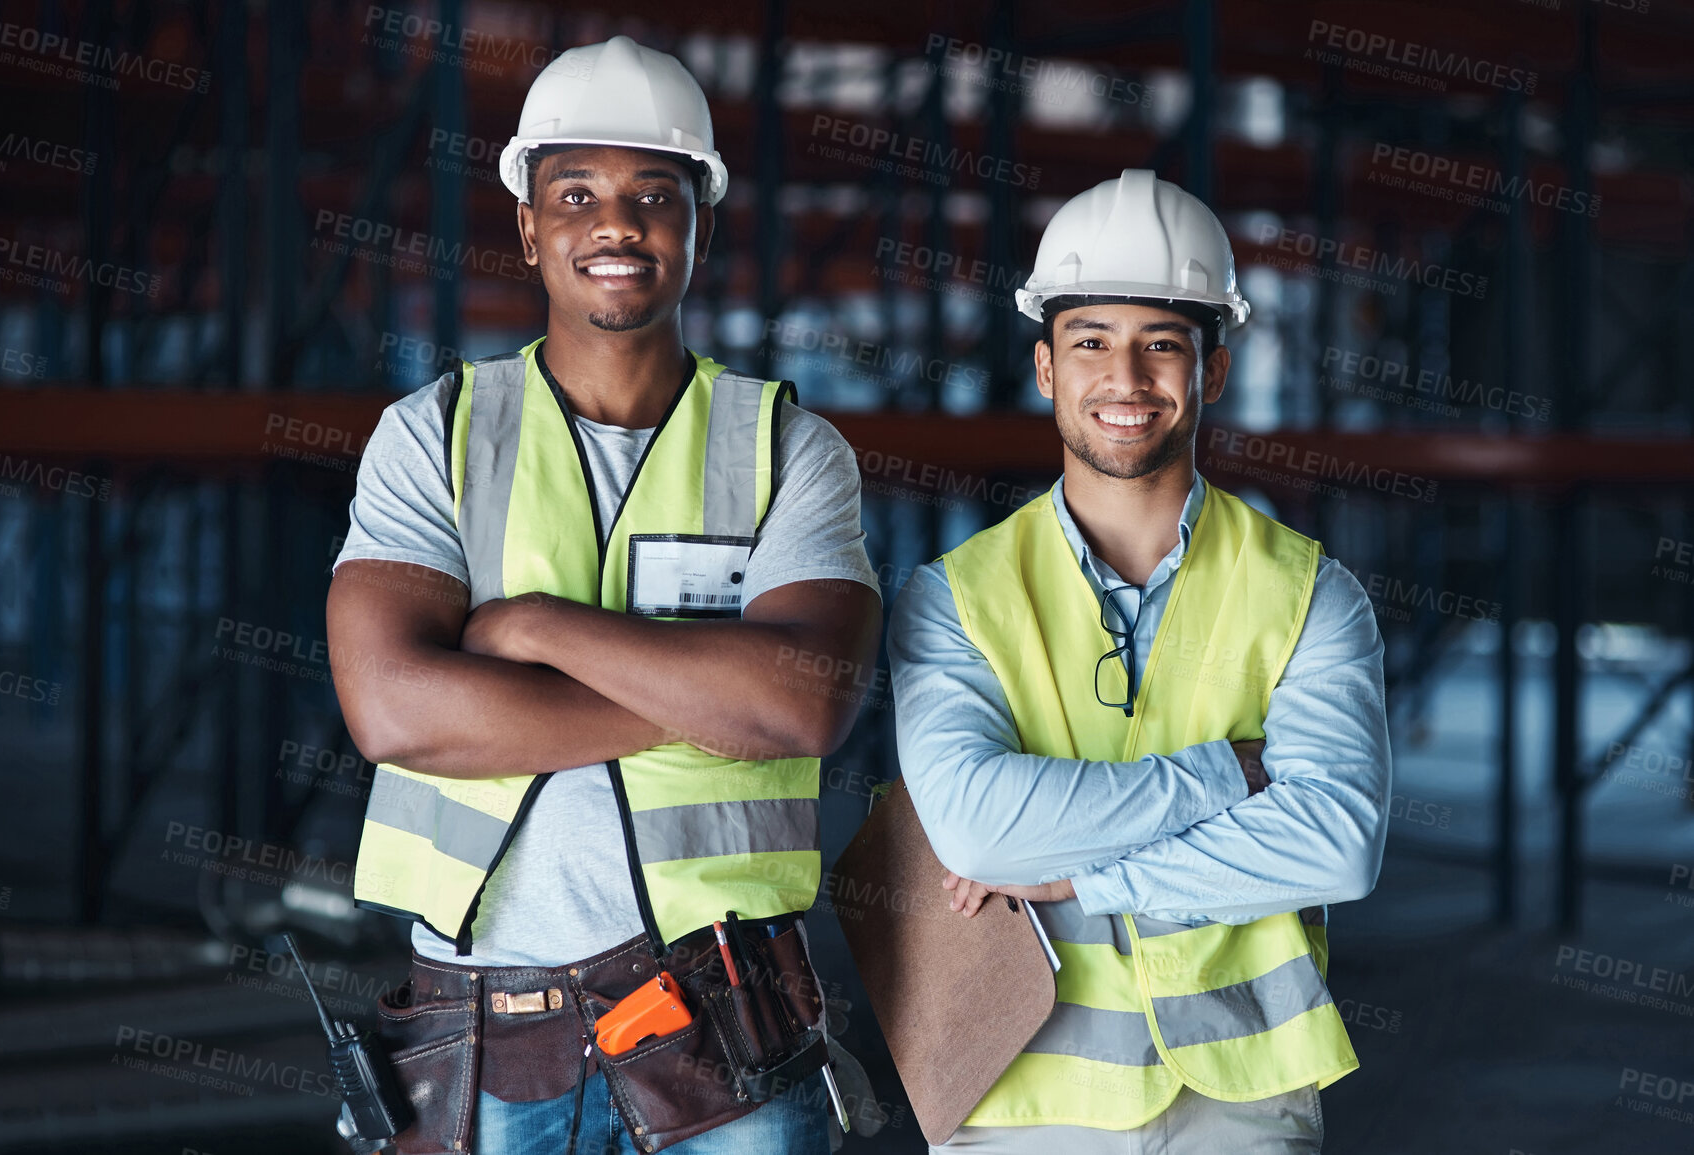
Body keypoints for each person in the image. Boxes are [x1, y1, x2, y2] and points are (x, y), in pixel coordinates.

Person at [327, 35, 881, 1155]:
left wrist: (534, 629)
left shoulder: (789, 449)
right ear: (530, 226)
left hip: (726, 1037)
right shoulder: (431, 437)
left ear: (701, 224)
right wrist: (713, 697)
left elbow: (807, 701)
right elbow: (394, 710)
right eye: (575, 193)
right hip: (486, 1038)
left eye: (652, 194)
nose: (614, 224)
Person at [887, 169, 1391, 1153]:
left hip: (1239, 1103)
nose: (1127, 378)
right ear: (1045, 369)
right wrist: (1229, 776)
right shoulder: (955, 597)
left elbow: (1336, 842)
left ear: (1215, 371)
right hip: (1017, 1095)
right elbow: (982, 833)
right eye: (1092, 343)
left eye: (1162, 343)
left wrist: (1083, 877)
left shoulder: (1309, 592)